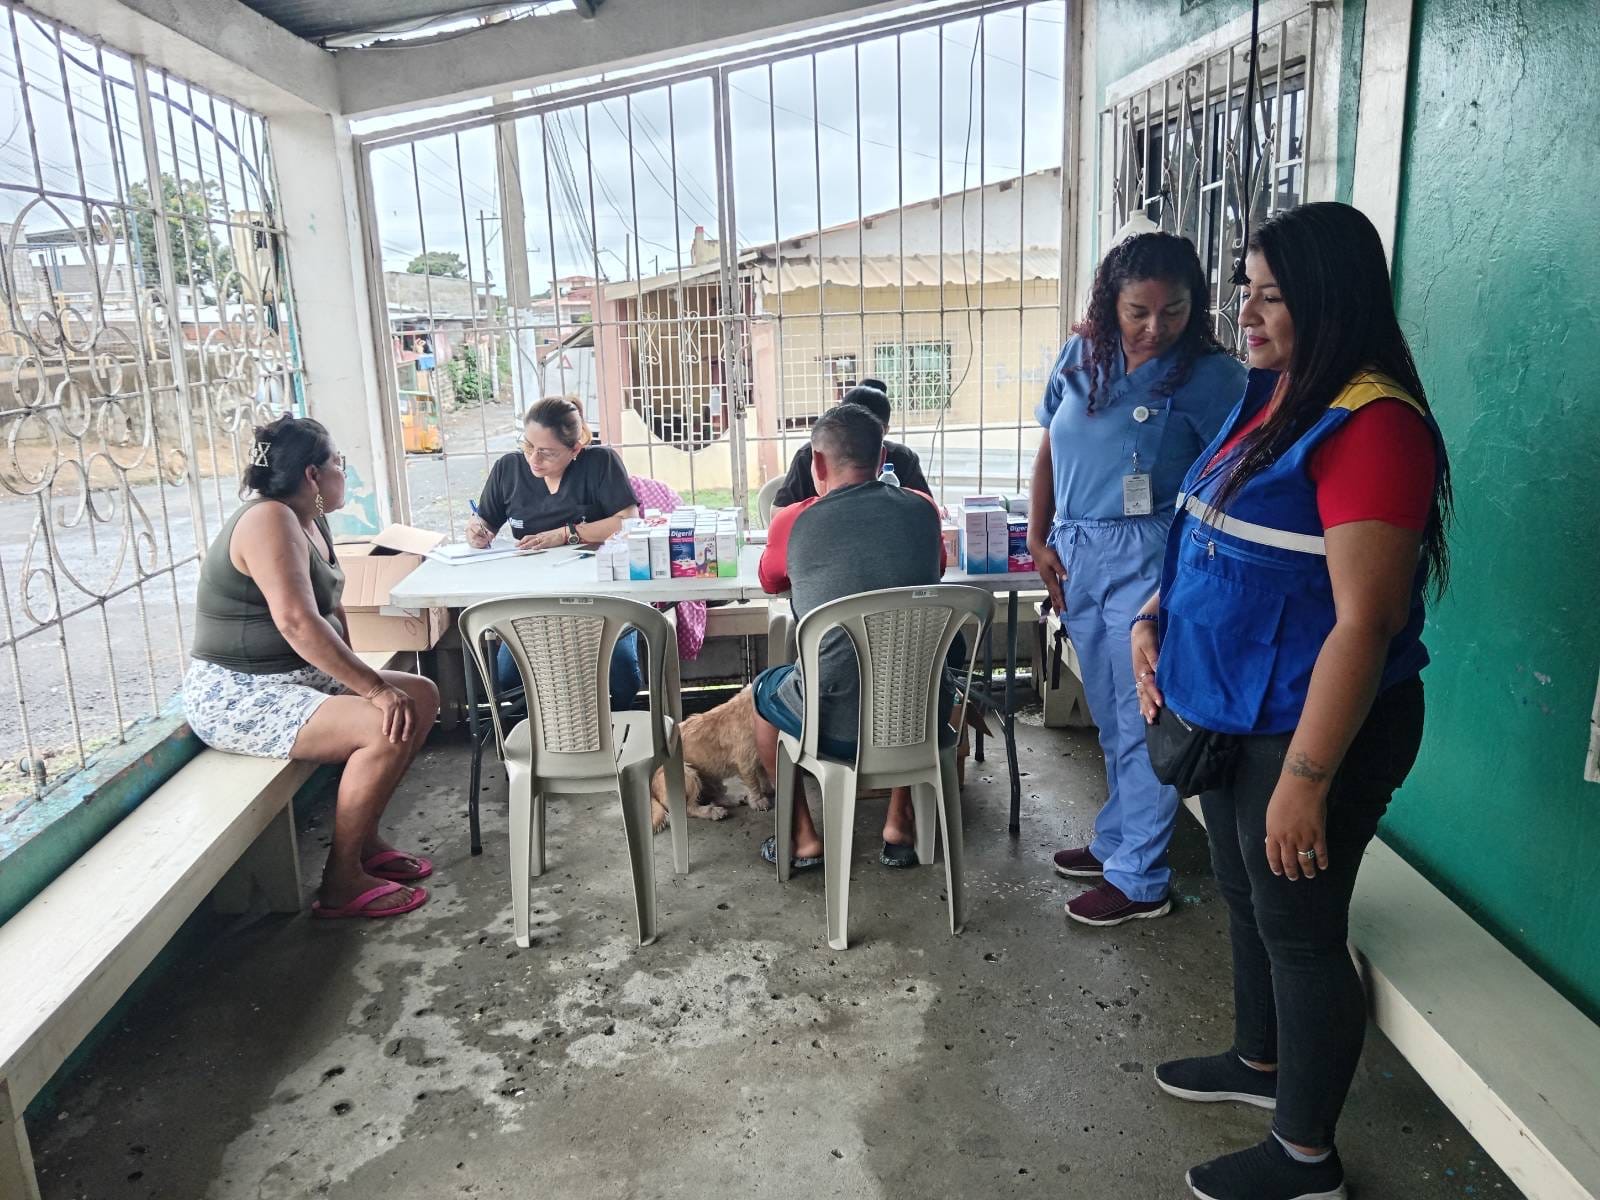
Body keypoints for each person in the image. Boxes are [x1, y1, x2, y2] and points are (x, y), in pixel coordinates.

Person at [1132, 202, 1451, 1200]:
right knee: (1245, 894)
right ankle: (1257, 1060)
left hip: (1314, 729)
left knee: (1302, 931)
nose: (1246, 313)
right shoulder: (1275, 395)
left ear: (1329, 299)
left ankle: (1307, 1157)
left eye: (1272, 296)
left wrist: (1307, 781)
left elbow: (1365, 620)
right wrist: (1153, 616)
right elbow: (1215, 528)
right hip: (1239, 707)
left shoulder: (1374, 424)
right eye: (1248, 290)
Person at [1027, 232, 1247, 926]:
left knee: (1145, 711)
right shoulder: (1080, 355)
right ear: (1110, 304)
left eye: (1173, 311)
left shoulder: (1212, 377)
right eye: (1138, 312)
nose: (1156, 328)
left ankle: (1141, 876)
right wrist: (1037, 535)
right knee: (1108, 707)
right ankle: (1118, 837)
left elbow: (1234, 479)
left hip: (1150, 554)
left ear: (1195, 305)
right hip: (1077, 549)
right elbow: (1049, 445)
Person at [184, 415, 440, 920]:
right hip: (243, 693)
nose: (344, 470)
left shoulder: (310, 517)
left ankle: (364, 842)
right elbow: (297, 622)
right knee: (385, 723)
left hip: (298, 679)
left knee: (422, 695)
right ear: (312, 474)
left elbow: (331, 609)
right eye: (338, 462)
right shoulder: (269, 520)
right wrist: (374, 691)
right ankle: (341, 881)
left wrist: (361, 678)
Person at [753, 403, 948, 870]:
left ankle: (802, 837)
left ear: (817, 464)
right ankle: (899, 821)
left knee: (762, 698)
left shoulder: (792, 520)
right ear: (881, 458)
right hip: (922, 717)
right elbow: (936, 569)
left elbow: (770, 580)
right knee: (907, 670)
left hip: (829, 723)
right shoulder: (923, 511)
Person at [466, 396, 644, 710]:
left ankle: (611, 727)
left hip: (599, 594)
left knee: (621, 677)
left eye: (547, 452)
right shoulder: (509, 469)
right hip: (534, 598)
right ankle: (549, 727)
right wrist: (477, 533)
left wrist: (566, 534)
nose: (534, 459)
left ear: (575, 449)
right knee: (509, 676)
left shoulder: (600, 463)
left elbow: (627, 522)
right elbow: (486, 524)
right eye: (528, 445)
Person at [772, 379, 930, 506]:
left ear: (884, 431)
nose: (859, 436)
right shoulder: (810, 455)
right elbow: (779, 511)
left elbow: (926, 508)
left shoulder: (903, 458)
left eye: (869, 430)